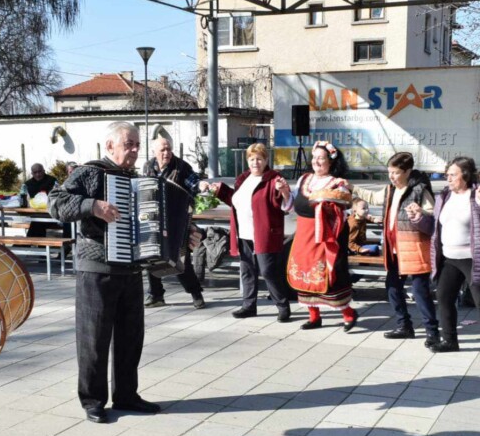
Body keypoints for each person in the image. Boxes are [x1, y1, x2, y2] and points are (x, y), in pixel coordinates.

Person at [48, 121, 161, 424]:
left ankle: (126, 394)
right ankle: (93, 400)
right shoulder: (89, 172)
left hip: (131, 268)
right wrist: (92, 205)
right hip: (96, 266)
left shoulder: (138, 180)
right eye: (130, 144)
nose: (136, 150)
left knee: (130, 337)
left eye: (138, 144)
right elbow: (55, 203)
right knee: (94, 338)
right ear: (110, 146)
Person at [351, 152, 439, 344]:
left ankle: (432, 331)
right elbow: (373, 198)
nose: (391, 176)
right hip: (393, 248)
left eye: (396, 172)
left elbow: (434, 213)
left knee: (419, 291)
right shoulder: (391, 189)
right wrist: (351, 187)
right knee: (392, 287)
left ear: (407, 171)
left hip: (413, 247)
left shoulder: (419, 189)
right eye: (390, 172)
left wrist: (420, 211)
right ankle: (404, 325)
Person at [201, 143, 293, 321]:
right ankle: (249, 306)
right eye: (252, 159)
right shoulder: (243, 179)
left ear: (266, 160)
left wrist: (284, 192)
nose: (255, 163)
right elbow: (235, 201)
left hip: (264, 233)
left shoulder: (273, 179)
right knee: (247, 270)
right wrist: (220, 190)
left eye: (259, 159)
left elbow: (284, 205)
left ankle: (283, 305)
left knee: (267, 271)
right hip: (243, 232)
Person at [432, 156, 480, 360]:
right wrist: (419, 218)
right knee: (444, 297)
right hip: (449, 257)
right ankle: (449, 340)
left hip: (473, 258)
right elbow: (436, 226)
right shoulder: (444, 196)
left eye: (452, 175)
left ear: (465, 175)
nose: (448, 178)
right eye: (447, 175)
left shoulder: (478, 195)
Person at [286, 141, 357, 332]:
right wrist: (285, 192)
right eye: (314, 157)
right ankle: (314, 316)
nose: (316, 161)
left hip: (326, 236)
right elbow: (292, 205)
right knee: (305, 272)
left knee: (329, 275)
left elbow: (343, 208)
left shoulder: (338, 183)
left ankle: (348, 313)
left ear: (331, 162)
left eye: (321, 158)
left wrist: (328, 205)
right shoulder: (304, 180)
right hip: (303, 234)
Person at [142, 137, 206, 310]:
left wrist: (202, 186)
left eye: (169, 149)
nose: (166, 153)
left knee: (181, 258)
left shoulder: (181, 167)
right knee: (151, 257)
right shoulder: (148, 166)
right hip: (155, 220)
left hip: (178, 220)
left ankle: (195, 293)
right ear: (154, 151)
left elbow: (195, 183)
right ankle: (156, 295)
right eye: (162, 150)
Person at [19, 163, 56, 237]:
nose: (38, 174)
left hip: (51, 215)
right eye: (35, 172)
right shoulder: (28, 184)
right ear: (32, 173)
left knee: (37, 223)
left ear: (44, 171)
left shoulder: (52, 181)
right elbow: (25, 200)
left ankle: (26, 244)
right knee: (37, 222)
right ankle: (39, 246)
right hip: (35, 215)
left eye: (40, 171)